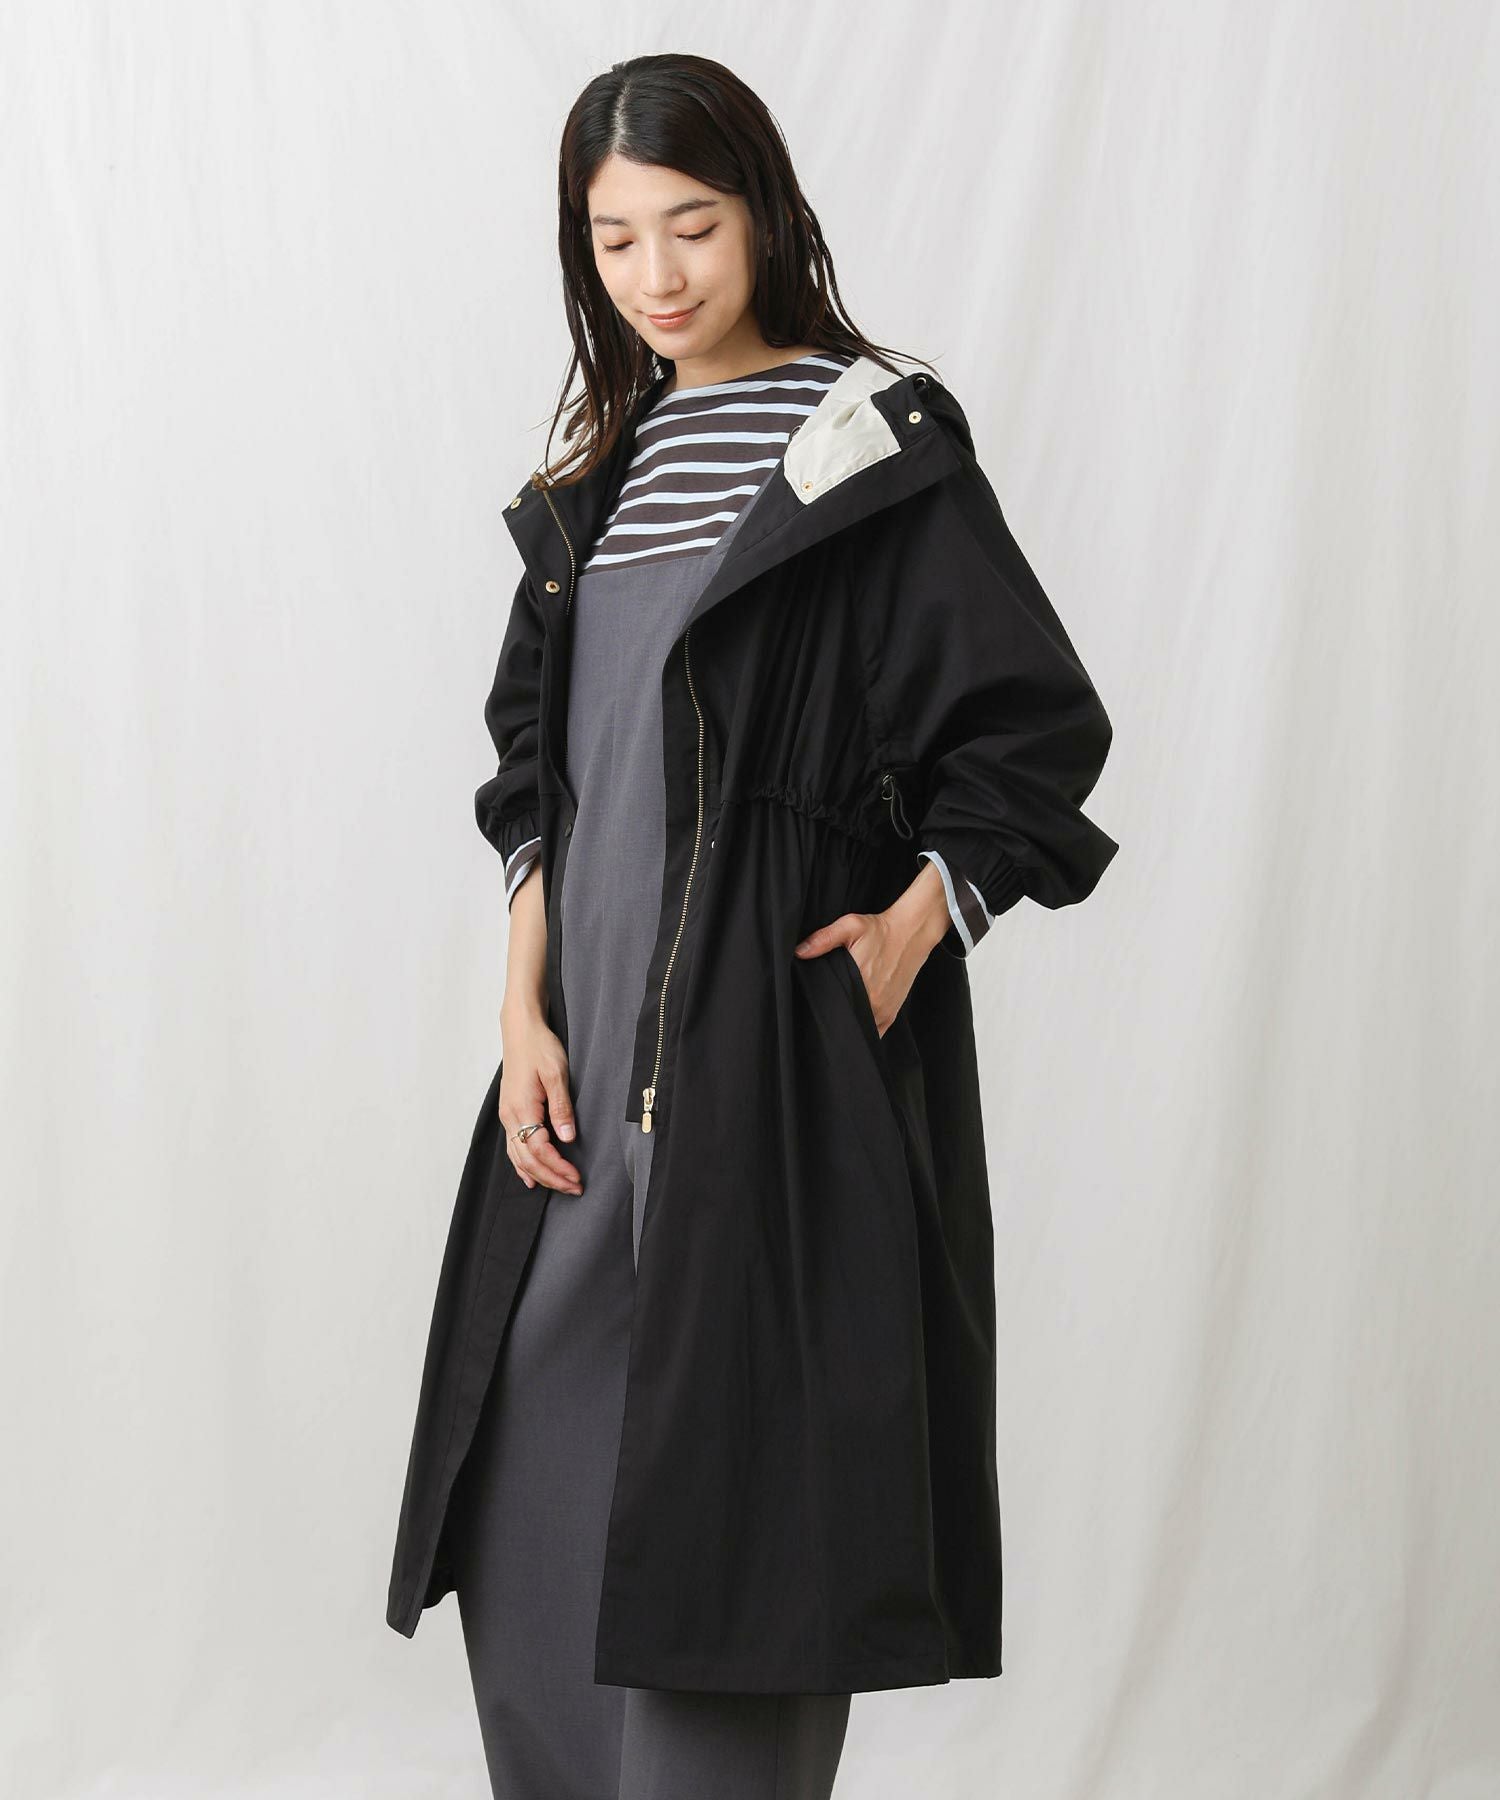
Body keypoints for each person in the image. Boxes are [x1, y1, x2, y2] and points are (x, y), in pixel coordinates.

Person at [387, 51, 1119, 1800]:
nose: (657, 275)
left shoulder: (865, 443)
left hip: (773, 1091)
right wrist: (521, 1010)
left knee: (745, 1545)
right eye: (616, 238)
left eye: (693, 226)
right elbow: (534, 768)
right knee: (537, 1509)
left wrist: (915, 925)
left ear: (766, 214)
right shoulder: (600, 475)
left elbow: (1030, 731)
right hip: (576, 1100)